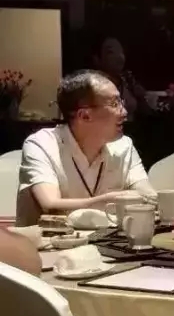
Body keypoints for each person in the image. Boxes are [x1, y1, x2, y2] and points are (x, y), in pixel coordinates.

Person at [16, 70, 155, 225]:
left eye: (121, 102)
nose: (124, 112)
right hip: (45, 239)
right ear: (84, 116)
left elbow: (146, 194)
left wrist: (151, 198)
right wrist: (112, 200)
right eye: (115, 104)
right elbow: (50, 204)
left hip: (108, 239)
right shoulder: (42, 144)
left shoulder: (124, 145)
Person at [95, 36, 148, 117]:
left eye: (121, 51)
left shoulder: (127, 79)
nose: (119, 56)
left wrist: (141, 98)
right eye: (111, 52)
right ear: (97, 59)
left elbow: (144, 111)